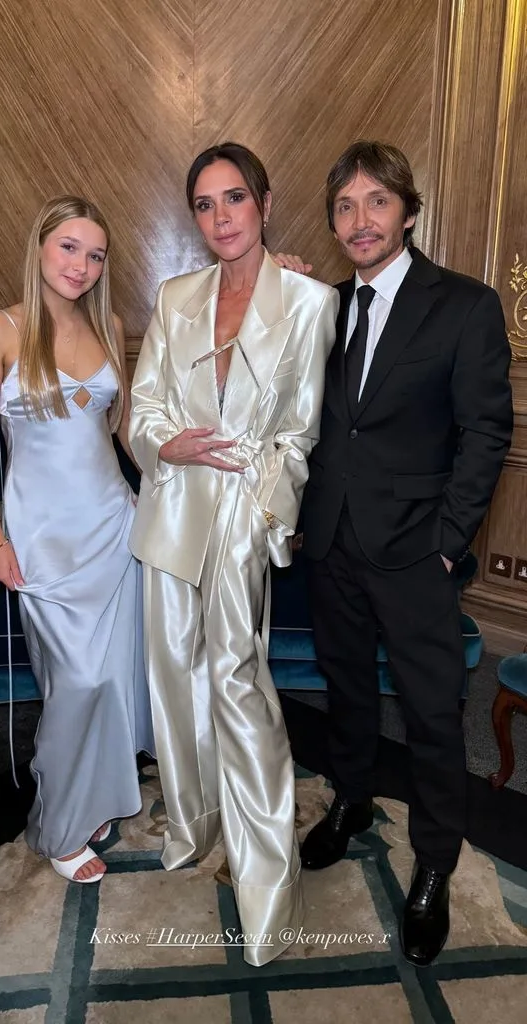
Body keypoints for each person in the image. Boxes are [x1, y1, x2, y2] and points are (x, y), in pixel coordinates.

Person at [299, 140, 513, 966]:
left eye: (377, 202)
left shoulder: (464, 305)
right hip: (331, 541)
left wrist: (449, 545)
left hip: (418, 551)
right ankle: (351, 800)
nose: (361, 221)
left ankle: (434, 863)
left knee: (430, 712)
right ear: (334, 223)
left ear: (408, 213)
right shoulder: (320, 309)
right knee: (347, 690)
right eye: (345, 206)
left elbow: (486, 432)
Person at [128, 142, 339, 966]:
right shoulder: (175, 295)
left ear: (265, 202)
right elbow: (143, 407)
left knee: (236, 685)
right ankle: (196, 825)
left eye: (235, 198)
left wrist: (262, 517)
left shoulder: (309, 300)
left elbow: (300, 433)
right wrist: (166, 445)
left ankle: (267, 883)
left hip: (244, 515)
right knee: (174, 675)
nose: (221, 217)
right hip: (171, 509)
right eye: (205, 204)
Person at [0, 195, 154, 884]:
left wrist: (167, 477)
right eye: (69, 247)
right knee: (75, 681)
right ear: (40, 245)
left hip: (113, 525)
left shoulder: (110, 325)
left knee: (115, 677)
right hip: (42, 537)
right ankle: (61, 822)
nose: (81, 265)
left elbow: (122, 429)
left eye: (95, 255)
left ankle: (92, 796)